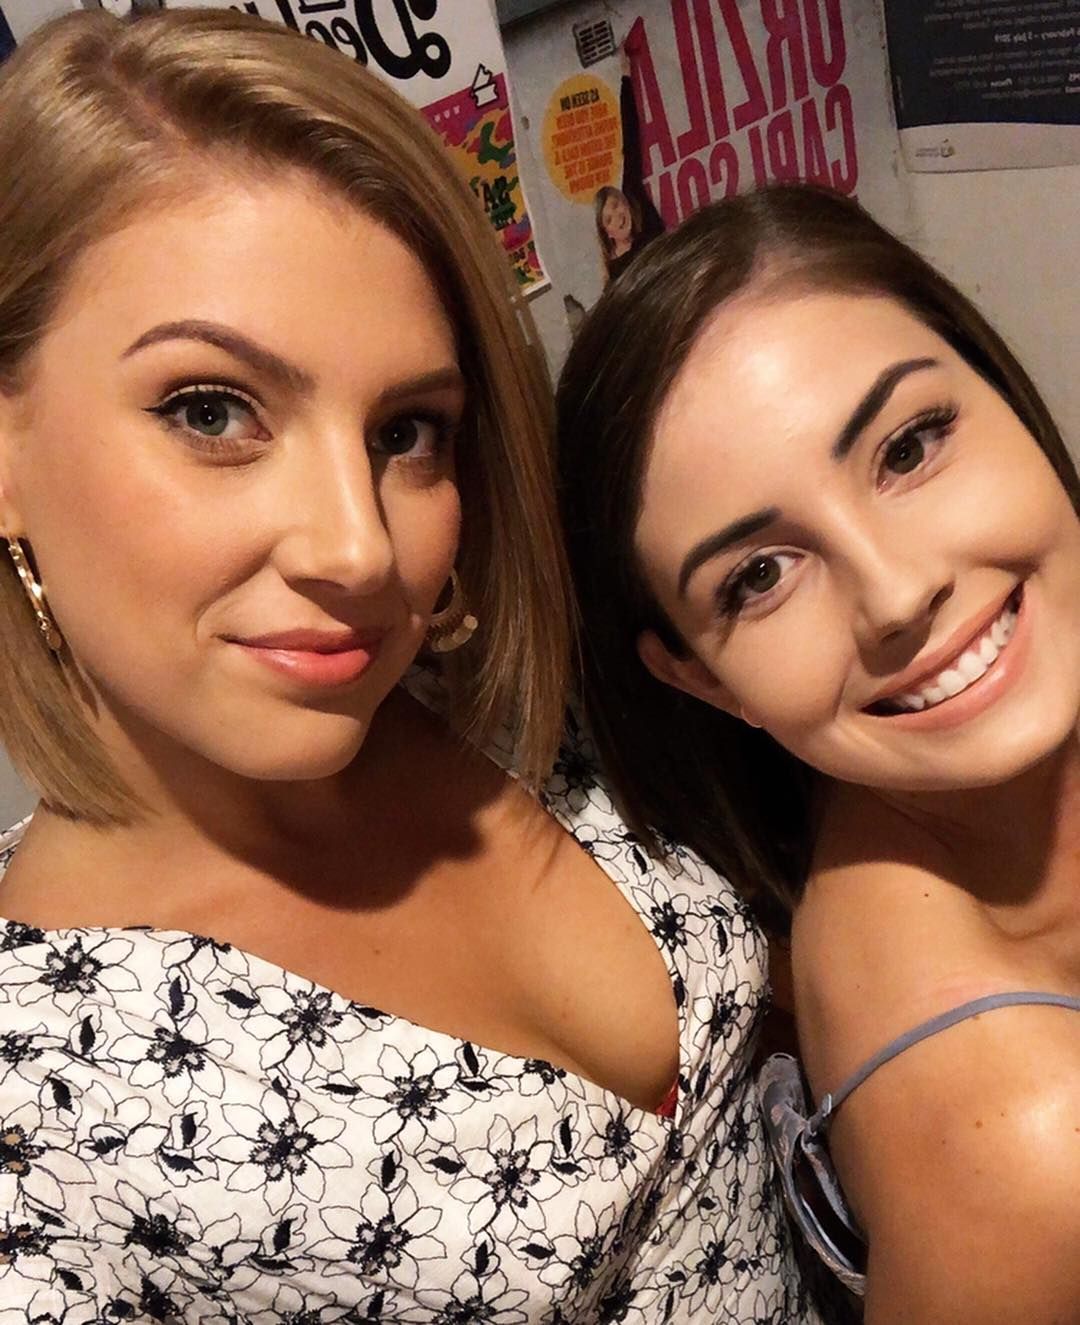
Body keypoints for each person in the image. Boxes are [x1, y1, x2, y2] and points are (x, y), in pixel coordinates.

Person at [0, 12, 821, 1321]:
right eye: (212, 411)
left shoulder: (510, 697)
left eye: (406, 431)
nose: (358, 546)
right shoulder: (38, 1113)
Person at [556, 184, 1080, 1323]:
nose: (896, 593)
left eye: (909, 446)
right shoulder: (1027, 1144)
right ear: (699, 677)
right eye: (759, 576)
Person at [593, 24, 665, 285]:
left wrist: (625, 76)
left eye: (615, 206)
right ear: (608, 233)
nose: (618, 216)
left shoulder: (638, 205)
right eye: (608, 219)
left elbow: (631, 139)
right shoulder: (616, 273)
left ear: (625, 201)